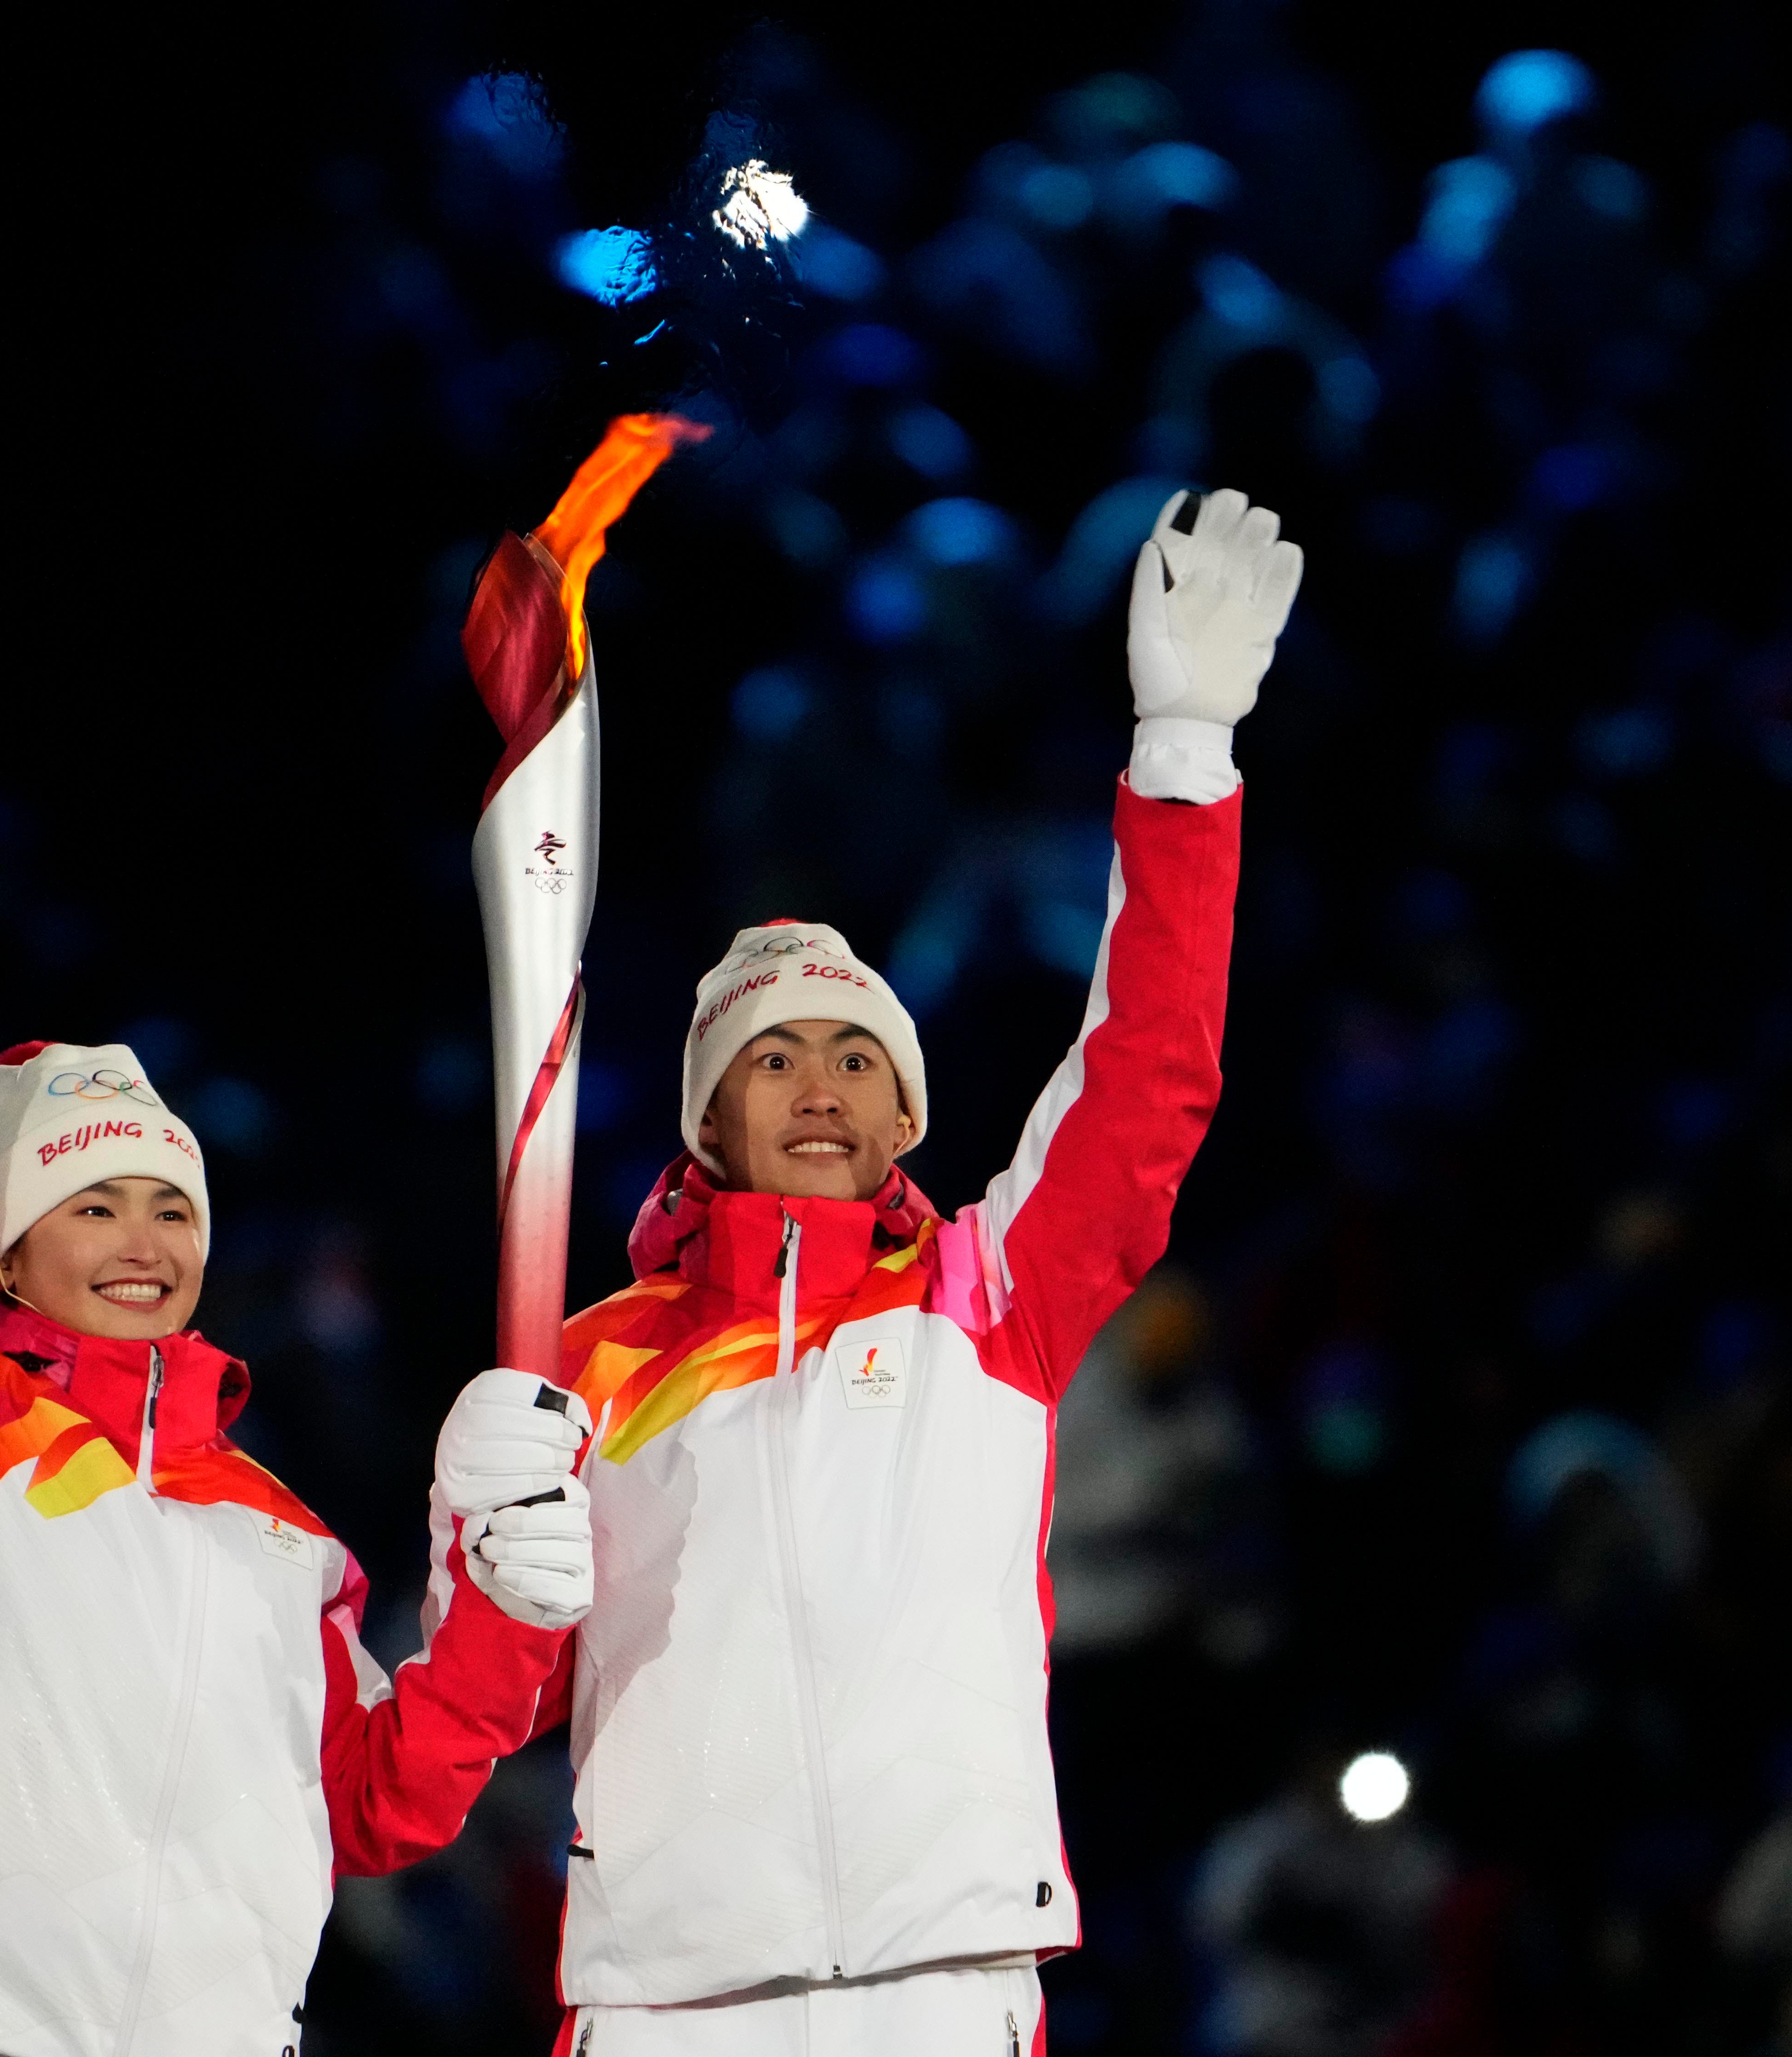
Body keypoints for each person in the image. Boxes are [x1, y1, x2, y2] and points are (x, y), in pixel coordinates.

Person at [0, 665, 598, 2057]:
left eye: (170, 1205)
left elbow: (375, 1803)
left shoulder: (282, 1542)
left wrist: (511, 1614)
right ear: (5, 1257)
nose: (142, 1240)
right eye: (92, 1204)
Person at [530, 490, 1302, 2052]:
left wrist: (1183, 760)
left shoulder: (989, 1296)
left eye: (854, 1057)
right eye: (773, 1060)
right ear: (709, 1119)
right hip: (675, 1999)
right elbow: (507, 1690)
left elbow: (1149, 1078)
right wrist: (487, 1562)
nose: (817, 1086)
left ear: (904, 1115)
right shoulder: (589, 1365)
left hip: (939, 1981)